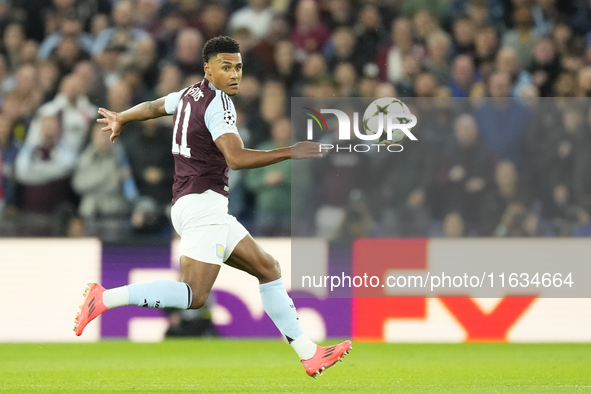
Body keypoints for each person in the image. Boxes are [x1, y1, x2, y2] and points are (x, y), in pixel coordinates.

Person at [73, 36, 351, 378]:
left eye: (238, 67)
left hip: (196, 204)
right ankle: (104, 298)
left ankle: (310, 354)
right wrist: (290, 151)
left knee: (268, 268)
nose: (235, 74)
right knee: (194, 296)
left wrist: (123, 118)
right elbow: (235, 158)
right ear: (208, 69)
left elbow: (154, 107)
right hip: (203, 204)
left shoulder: (189, 94)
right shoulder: (219, 104)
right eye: (226, 67)